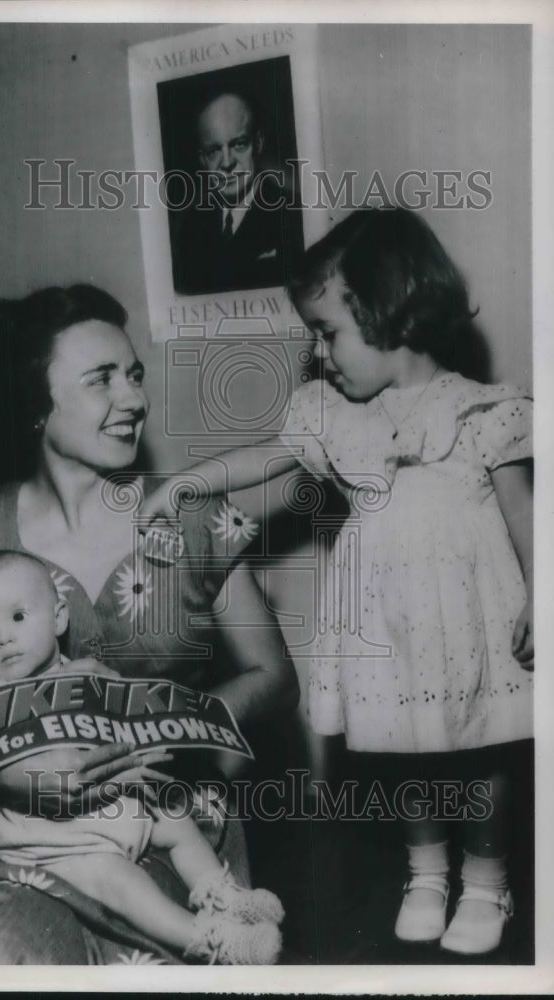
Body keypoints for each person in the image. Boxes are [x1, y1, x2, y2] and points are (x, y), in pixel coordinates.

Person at [141, 208, 533, 956]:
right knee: (405, 748)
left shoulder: (483, 409)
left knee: (479, 752)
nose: (320, 354)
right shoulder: (333, 416)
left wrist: (542, 595)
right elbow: (265, 457)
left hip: (470, 619)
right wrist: (188, 482)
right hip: (387, 619)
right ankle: (426, 872)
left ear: (392, 310)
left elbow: (525, 514)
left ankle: (488, 880)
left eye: (329, 332)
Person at [0, 284, 299, 964]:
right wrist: (11, 778)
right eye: (101, 379)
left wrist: (167, 730)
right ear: (35, 405)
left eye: (134, 374)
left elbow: (273, 676)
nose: (133, 398)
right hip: (27, 830)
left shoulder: (193, 517)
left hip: (172, 816)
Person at [0, 548, 285, 964]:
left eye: (17, 617)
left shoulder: (84, 672)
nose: (2, 638)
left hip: (112, 803)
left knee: (175, 820)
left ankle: (223, 896)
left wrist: (138, 722)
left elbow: (126, 719)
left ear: (59, 619)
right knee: (119, 882)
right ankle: (211, 940)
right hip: (53, 840)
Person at [172, 91, 302, 295]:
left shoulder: (294, 212)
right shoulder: (191, 227)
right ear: (202, 159)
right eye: (214, 150)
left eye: (239, 144)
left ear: (258, 143)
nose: (226, 163)